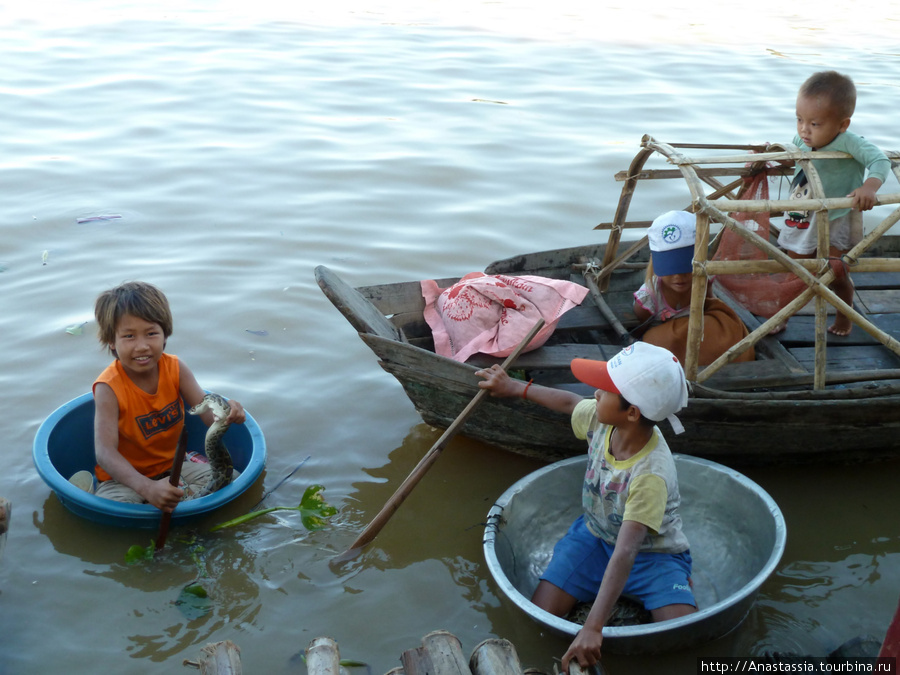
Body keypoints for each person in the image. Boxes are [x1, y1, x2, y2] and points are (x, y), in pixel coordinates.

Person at [476, 342, 696, 669]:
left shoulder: (651, 474)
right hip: (594, 536)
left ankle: (680, 579)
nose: (594, 394)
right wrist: (513, 387)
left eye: (604, 390)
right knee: (542, 613)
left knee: (683, 634)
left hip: (653, 554)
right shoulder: (602, 418)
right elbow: (568, 401)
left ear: (632, 412)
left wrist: (593, 628)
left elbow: (626, 552)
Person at [89, 281, 245, 512]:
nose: (142, 346)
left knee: (230, 477)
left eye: (151, 333)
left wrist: (228, 415)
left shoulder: (175, 368)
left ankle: (178, 506)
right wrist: (146, 488)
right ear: (112, 341)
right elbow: (105, 453)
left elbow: (207, 415)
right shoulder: (108, 387)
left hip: (174, 466)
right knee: (114, 506)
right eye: (129, 336)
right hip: (124, 479)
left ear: (164, 335)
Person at [776, 70, 892, 336]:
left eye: (815, 124)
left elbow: (880, 161)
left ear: (842, 124)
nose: (804, 129)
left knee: (835, 270)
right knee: (795, 269)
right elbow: (792, 156)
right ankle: (782, 316)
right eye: (799, 120)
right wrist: (771, 156)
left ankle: (844, 315)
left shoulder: (850, 142)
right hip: (804, 212)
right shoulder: (801, 140)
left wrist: (869, 187)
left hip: (836, 215)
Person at [633, 210, 754, 365]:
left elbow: (711, 304)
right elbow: (642, 331)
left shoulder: (704, 277)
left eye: (686, 267)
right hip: (670, 340)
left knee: (728, 326)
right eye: (671, 269)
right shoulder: (648, 298)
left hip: (697, 330)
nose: (679, 276)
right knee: (656, 340)